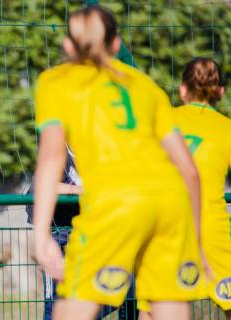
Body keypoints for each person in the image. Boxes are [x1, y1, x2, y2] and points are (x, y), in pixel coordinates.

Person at [32, 6, 206, 320]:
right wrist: (194, 237)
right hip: (171, 204)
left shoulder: (56, 81)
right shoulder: (145, 86)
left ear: (69, 47)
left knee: (70, 311)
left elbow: (51, 157)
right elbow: (190, 171)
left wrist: (41, 234)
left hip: (115, 202)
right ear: (115, 45)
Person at [26, 148, 137, 320]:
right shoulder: (58, 152)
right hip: (56, 237)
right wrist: (78, 190)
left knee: (127, 287)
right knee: (53, 302)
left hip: (87, 237)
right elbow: (43, 183)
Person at [174, 58, 230, 319]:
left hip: (167, 230)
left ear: (182, 90)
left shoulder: (163, 120)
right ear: (220, 92)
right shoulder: (226, 128)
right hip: (211, 231)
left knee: (153, 311)